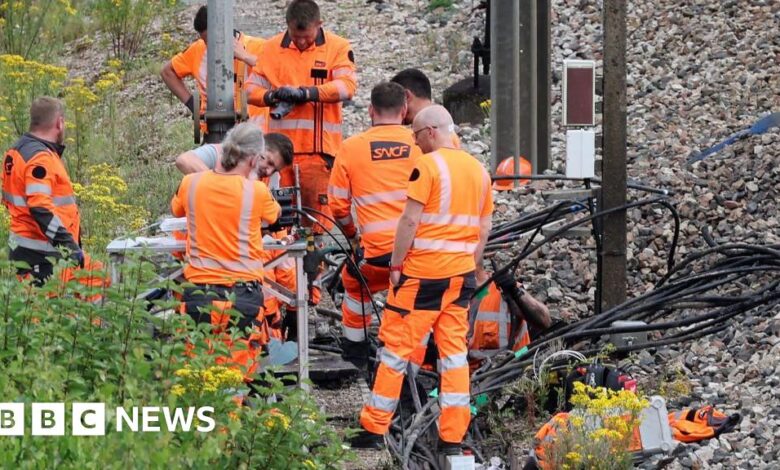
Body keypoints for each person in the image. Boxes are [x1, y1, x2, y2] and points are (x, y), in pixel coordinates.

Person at [357, 106, 493, 454]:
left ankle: (375, 428)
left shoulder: (428, 166)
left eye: (415, 137)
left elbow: (409, 221)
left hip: (422, 277)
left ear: (431, 131)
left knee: (395, 351)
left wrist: (396, 265)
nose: (415, 145)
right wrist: (470, 265)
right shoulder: (479, 171)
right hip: (459, 276)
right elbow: (483, 228)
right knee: (453, 357)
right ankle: (452, 437)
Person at [171, 123, 281, 375]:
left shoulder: (191, 183)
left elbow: (176, 210)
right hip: (242, 299)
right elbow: (274, 215)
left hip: (199, 295)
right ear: (254, 159)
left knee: (197, 378)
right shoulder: (257, 191)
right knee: (234, 381)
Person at [327, 81, 422, 365]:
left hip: (376, 256)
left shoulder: (351, 148)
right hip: (417, 255)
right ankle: (416, 354)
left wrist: (353, 236)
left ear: (370, 110)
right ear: (405, 109)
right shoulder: (420, 143)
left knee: (354, 285)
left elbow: (337, 206)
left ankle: (355, 353)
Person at [245, 0, 357, 234]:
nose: (302, 41)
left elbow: (347, 87)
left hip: (317, 155)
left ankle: (315, 269)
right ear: (287, 26)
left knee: (315, 225)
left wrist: (307, 93)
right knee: (275, 220)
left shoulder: (337, 47)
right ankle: (278, 268)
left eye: (306, 36)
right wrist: (271, 96)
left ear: (319, 25)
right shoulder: (271, 48)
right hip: (278, 155)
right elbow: (249, 90)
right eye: (296, 36)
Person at [2, 97, 90, 284]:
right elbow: (40, 207)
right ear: (59, 123)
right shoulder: (40, 158)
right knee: (47, 310)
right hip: (43, 256)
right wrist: (68, 246)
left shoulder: (16, 152)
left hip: (24, 249)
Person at [161, 5, 267, 140]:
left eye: (215, 42)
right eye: (207, 42)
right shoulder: (198, 49)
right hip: (214, 133)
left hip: (255, 135)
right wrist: (193, 105)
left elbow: (276, 72)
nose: (210, 47)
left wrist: (245, 56)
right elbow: (167, 72)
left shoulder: (257, 46)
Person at [468, 269, 551, 369]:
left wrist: (515, 292)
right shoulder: (448, 296)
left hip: (515, 365)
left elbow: (545, 320)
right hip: (467, 377)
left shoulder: (500, 288)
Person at [391, 68, 460, 148]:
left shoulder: (417, 139)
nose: (395, 111)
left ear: (406, 96)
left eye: (395, 102)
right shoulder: (450, 135)